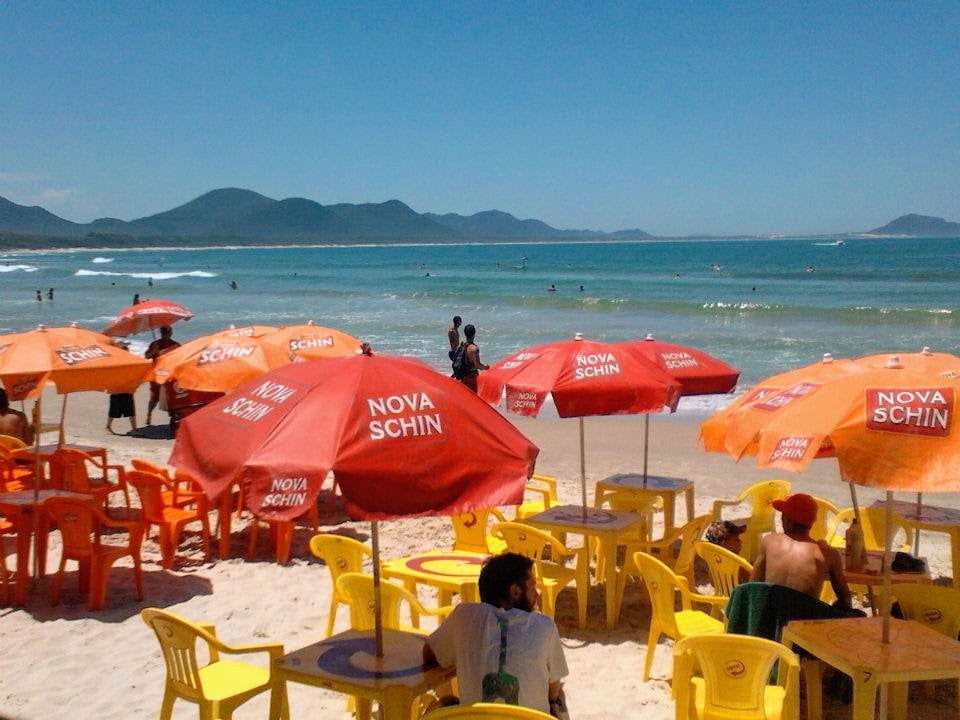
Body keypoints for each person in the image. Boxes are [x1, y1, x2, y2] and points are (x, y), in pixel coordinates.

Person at [423, 553, 569, 715]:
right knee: (558, 698)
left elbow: (429, 654)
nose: (536, 593)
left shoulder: (464, 615)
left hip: (476, 717)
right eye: (532, 586)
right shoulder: (544, 626)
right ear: (515, 591)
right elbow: (553, 691)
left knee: (447, 704)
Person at [751, 493, 853, 609]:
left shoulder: (769, 541)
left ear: (787, 520)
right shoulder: (828, 555)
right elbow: (846, 601)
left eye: (782, 515)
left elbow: (753, 586)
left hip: (769, 619)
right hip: (804, 622)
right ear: (812, 522)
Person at [144, 326, 180, 425]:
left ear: (170, 333)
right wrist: (154, 351)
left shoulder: (175, 345)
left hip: (170, 375)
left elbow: (181, 359)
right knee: (154, 397)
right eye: (163, 332)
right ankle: (149, 414)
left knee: (171, 396)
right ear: (161, 333)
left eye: (167, 332)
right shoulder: (155, 344)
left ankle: (173, 416)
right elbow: (146, 356)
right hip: (157, 375)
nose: (165, 334)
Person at [459, 324, 489, 393]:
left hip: (463, 377)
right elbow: (477, 365)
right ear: (474, 334)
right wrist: (485, 367)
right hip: (471, 378)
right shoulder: (474, 349)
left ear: (465, 334)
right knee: (473, 398)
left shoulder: (462, 345)